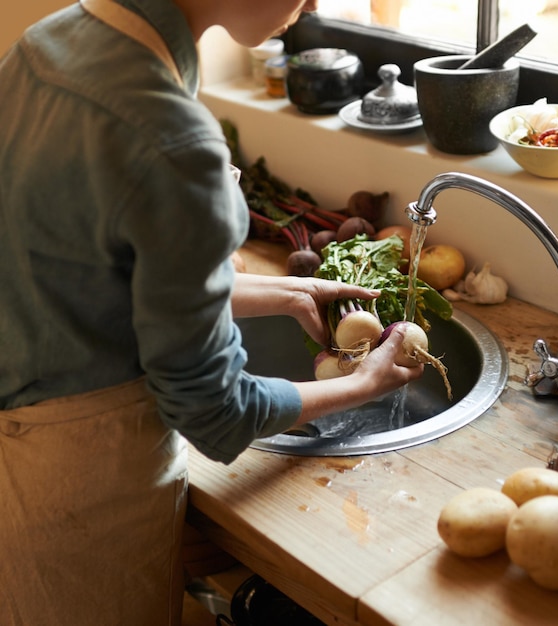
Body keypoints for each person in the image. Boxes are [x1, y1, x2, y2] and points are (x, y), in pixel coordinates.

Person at [0, 0, 425, 624]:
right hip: (87, 482)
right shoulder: (172, 137)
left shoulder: (48, 43)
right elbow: (216, 414)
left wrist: (284, 293)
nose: (311, 5)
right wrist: (361, 384)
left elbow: (85, 270)